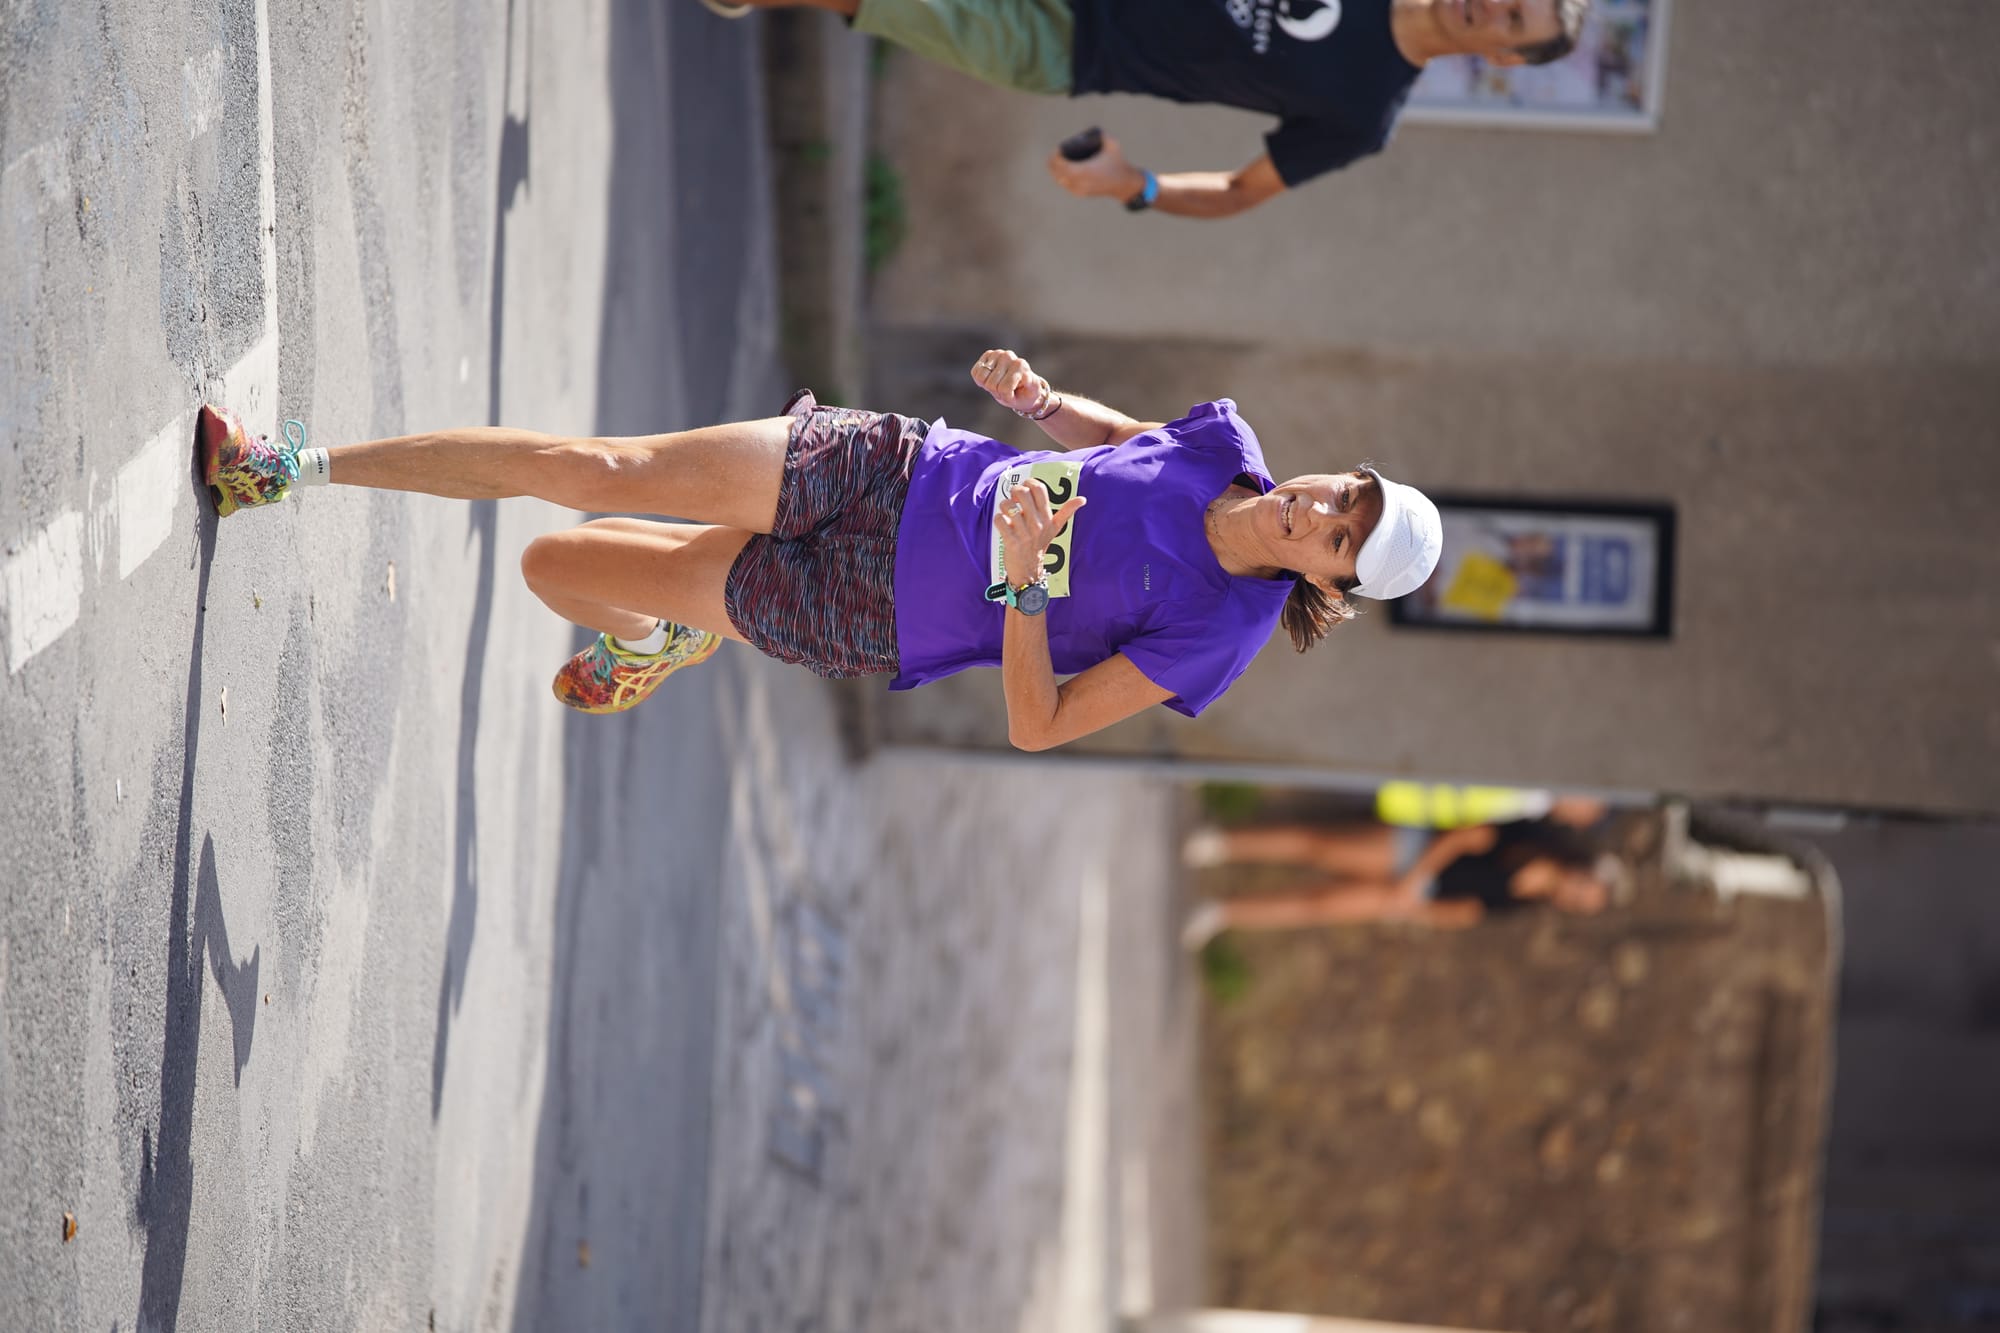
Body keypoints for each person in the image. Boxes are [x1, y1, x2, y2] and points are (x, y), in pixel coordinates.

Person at [198, 348, 1441, 748]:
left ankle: (658, 640)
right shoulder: (1228, 447)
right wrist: (1044, 405)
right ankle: (287, 468)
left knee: (554, 565)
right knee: (599, 469)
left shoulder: (1215, 637)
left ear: (1325, 581)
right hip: (894, 463)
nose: (1320, 512)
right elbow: (1132, 443)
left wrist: (1019, 580)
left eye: (1339, 539)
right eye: (1348, 495)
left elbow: (1039, 721)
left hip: (871, 610)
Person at [703, 0, 1590, 219]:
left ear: (1506, 56)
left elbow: (1245, 191)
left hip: (1070, 48)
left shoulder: (1364, 114)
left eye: (1517, 19)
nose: (1497, 3)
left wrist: (1138, 183)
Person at [1180, 797, 1616, 947]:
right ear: (1579, 868)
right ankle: (1221, 845)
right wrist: (1415, 878)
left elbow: (1467, 913)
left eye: (1579, 902)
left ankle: (1221, 913)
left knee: (1317, 907)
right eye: (1583, 887)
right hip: (1415, 852)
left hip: (1415, 894)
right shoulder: (1530, 840)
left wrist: (1413, 909)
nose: (1573, 894)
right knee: (1319, 847)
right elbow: (1464, 838)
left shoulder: (1524, 903)